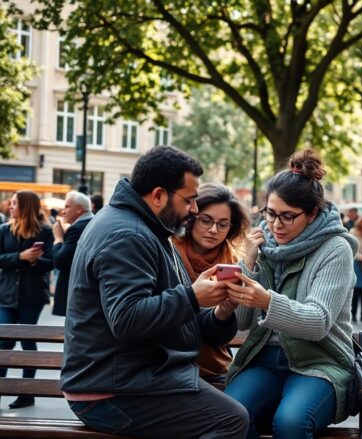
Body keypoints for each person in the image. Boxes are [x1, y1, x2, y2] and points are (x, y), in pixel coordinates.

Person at [60, 146, 248, 438]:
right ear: (158, 195)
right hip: (113, 392)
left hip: (133, 380)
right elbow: (126, 319)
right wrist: (192, 297)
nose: (195, 210)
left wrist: (221, 312)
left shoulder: (149, 230)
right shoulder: (129, 235)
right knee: (231, 420)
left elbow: (182, 321)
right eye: (189, 200)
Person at [224, 149, 357, 438]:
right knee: (228, 417)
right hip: (263, 359)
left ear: (311, 214)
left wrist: (267, 300)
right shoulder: (263, 244)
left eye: (287, 216)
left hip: (320, 363)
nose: (275, 224)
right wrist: (247, 264)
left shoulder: (335, 249)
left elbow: (318, 321)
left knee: (291, 423)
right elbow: (242, 322)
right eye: (270, 213)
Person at [172, 183, 248, 384]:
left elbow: (218, 337)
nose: (214, 230)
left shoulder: (234, 264)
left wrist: (223, 314)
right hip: (170, 366)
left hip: (215, 367)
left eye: (223, 224)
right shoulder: (169, 251)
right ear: (191, 217)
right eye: (206, 220)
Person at [0, 190, 54, 409]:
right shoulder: (4, 230)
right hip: (6, 295)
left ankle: (26, 392)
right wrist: (20, 257)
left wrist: (34, 262)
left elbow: (51, 262)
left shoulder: (45, 231)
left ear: (26, 206)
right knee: (4, 343)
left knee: (27, 340)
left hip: (32, 296)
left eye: (14, 203)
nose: (10, 206)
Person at [51, 191, 94, 317]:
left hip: (77, 292)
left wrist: (58, 239)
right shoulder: (91, 223)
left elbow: (60, 261)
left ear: (79, 209)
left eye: (67, 206)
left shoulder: (77, 228)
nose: (63, 211)